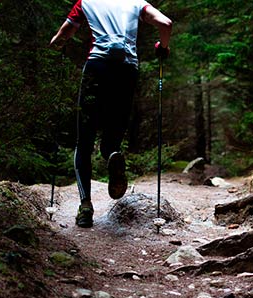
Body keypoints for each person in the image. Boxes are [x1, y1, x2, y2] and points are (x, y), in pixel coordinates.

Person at [49, 0, 172, 228]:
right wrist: (163, 48)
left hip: (97, 67)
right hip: (127, 69)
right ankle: (112, 154)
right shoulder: (137, 3)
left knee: (84, 139)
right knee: (113, 135)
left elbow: (66, 31)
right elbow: (165, 23)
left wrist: (58, 42)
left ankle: (85, 206)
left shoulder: (86, 2)